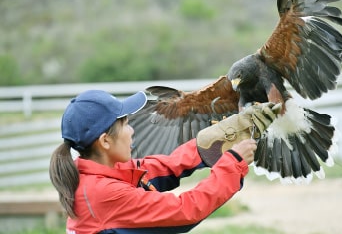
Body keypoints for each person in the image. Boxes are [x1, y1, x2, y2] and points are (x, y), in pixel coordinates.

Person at [49, 89, 279, 234]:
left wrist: (208, 143)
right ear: (105, 141)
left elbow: (161, 168)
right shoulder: (105, 193)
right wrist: (233, 163)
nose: (132, 131)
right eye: (126, 124)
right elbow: (184, 211)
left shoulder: (104, 174)